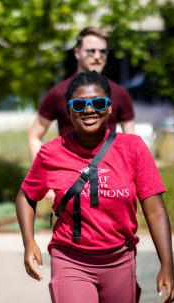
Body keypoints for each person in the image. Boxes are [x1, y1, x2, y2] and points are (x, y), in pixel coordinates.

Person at [16, 71, 174, 303]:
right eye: (79, 105)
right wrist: (29, 241)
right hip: (71, 259)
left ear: (109, 108)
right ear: (69, 111)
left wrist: (167, 265)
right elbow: (26, 195)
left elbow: (156, 210)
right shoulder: (51, 152)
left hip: (120, 261)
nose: (89, 109)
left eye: (98, 103)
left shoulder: (133, 148)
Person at [29, 27, 136, 206]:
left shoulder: (119, 93)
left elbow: (132, 143)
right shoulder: (58, 93)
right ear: (77, 53)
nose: (97, 56)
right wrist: (46, 178)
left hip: (110, 181)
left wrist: (137, 185)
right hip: (69, 181)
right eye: (91, 51)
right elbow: (34, 136)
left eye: (103, 51)